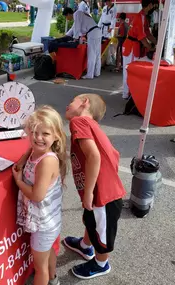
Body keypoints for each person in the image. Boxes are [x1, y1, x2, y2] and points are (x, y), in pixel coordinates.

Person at [63, 93, 126, 279]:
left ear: (84, 102)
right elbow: (114, 155)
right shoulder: (92, 126)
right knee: (90, 220)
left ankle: (101, 263)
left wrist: (90, 191)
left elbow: (94, 156)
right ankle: (84, 245)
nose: (67, 105)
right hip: (101, 190)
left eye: (71, 100)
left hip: (103, 195)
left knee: (102, 232)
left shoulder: (79, 122)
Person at [12, 106, 67, 285]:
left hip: (44, 224)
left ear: (56, 135)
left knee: (39, 267)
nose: (38, 137)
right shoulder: (37, 151)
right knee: (48, 252)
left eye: (45, 134)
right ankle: (53, 279)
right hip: (47, 220)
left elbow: (37, 195)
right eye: (34, 132)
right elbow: (29, 153)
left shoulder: (47, 161)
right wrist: (26, 154)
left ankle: (47, 278)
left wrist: (18, 181)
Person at [122, 0, 157, 99]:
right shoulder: (140, 17)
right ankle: (126, 93)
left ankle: (128, 93)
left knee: (130, 70)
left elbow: (147, 34)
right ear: (150, 5)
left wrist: (157, 42)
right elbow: (142, 37)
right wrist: (151, 48)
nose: (154, 8)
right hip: (131, 47)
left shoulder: (143, 17)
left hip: (134, 46)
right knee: (129, 70)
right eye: (154, 6)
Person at [63, 8, 102, 79]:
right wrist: (65, 36)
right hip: (97, 32)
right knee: (97, 54)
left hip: (93, 34)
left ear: (68, 14)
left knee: (91, 54)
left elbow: (77, 28)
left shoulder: (77, 14)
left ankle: (90, 75)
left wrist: (75, 39)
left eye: (66, 16)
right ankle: (97, 72)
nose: (67, 19)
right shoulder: (79, 15)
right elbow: (73, 28)